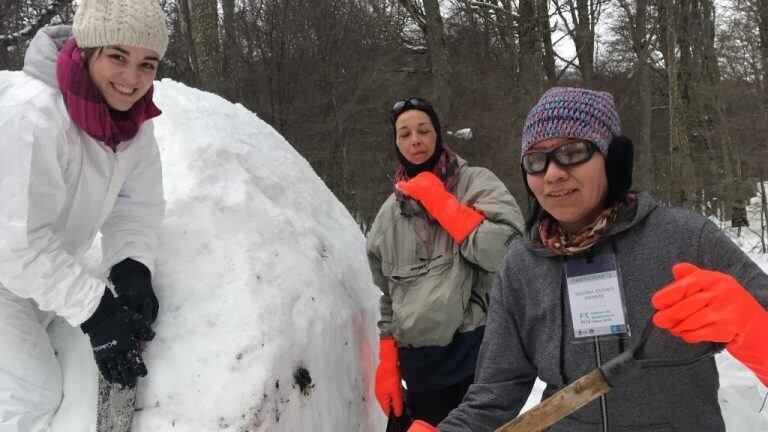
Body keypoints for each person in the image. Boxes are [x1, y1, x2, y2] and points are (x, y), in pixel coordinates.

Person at [407, 87, 768, 432]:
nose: (552, 173)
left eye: (573, 151)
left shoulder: (686, 237)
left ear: (613, 159)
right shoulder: (520, 266)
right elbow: (495, 393)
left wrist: (755, 330)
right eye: (536, 160)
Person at [0, 0, 168, 429]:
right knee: (29, 398)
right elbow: (16, 244)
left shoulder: (132, 125)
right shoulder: (32, 116)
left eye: (147, 64)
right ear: (88, 49)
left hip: (38, 271)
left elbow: (136, 201)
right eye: (118, 57)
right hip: (6, 271)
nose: (132, 79)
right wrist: (96, 312)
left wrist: (132, 268)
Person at [366, 97, 525, 428]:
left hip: (475, 369)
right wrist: (388, 359)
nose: (415, 140)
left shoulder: (476, 183)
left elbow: (513, 257)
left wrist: (443, 204)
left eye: (423, 130)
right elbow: (389, 296)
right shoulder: (387, 217)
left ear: (437, 134)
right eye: (404, 134)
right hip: (421, 377)